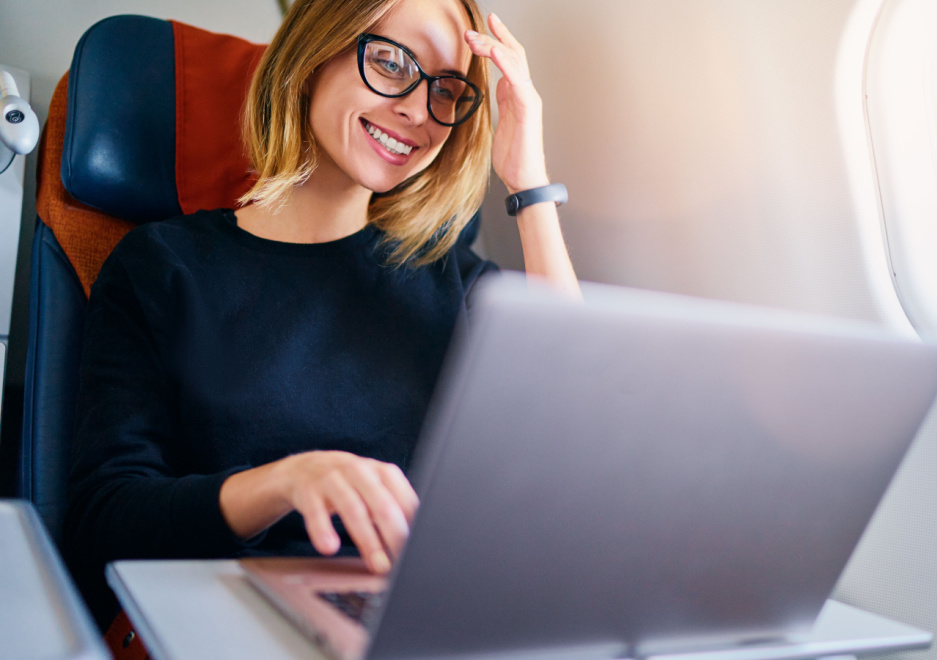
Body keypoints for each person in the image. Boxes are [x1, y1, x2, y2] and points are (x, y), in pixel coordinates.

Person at [62, 0, 579, 629]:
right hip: (236, 623)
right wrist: (281, 484)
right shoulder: (164, 268)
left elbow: (578, 446)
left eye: (449, 90)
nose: (419, 110)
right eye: (391, 62)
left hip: (432, 622)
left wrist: (529, 181)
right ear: (315, 51)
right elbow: (102, 523)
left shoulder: (458, 282)